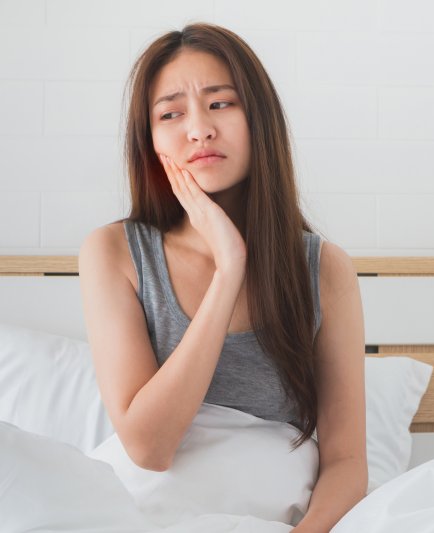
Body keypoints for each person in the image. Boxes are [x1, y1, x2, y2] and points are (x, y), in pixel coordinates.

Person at [78, 22, 367, 532]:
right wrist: (229, 267)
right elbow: (148, 448)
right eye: (171, 113)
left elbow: (345, 460)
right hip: (139, 510)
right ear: (148, 140)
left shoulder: (324, 269)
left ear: (260, 118)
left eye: (220, 103)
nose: (199, 130)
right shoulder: (114, 252)